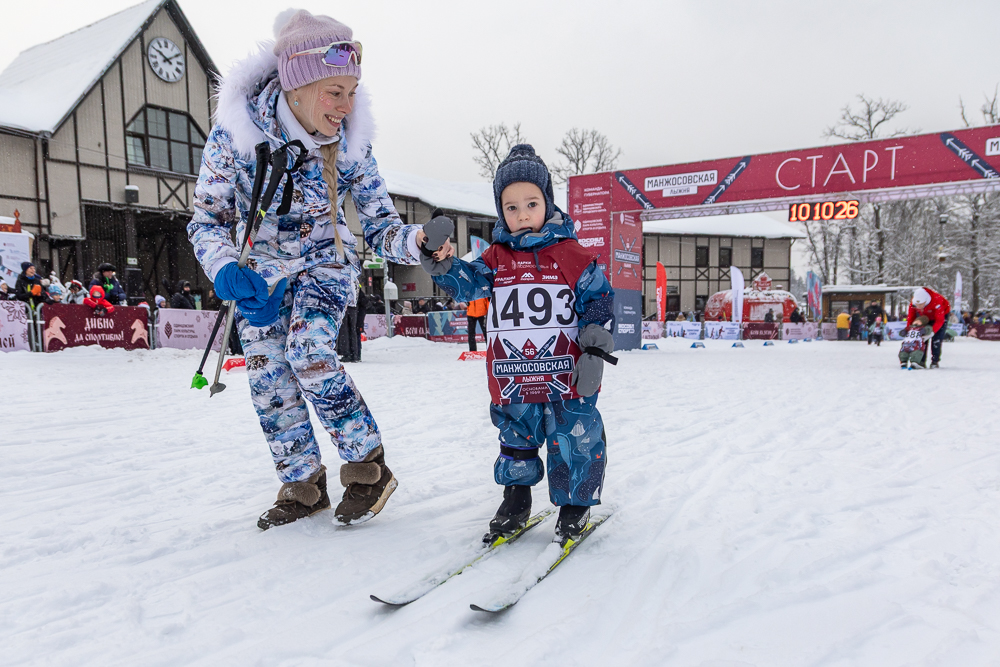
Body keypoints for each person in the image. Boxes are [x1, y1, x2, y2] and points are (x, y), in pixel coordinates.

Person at [188, 9, 440, 530]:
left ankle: (368, 464)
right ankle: (302, 484)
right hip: (259, 278)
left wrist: (413, 242)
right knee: (268, 377)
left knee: (308, 350)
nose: (347, 107)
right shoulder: (234, 137)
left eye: (352, 92)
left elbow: (378, 223)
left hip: (325, 265)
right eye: (335, 92)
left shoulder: (351, 145)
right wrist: (223, 270)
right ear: (297, 87)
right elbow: (207, 220)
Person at [419, 144, 615, 543]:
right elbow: (467, 282)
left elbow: (598, 301)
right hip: (514, 375)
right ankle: (517, 495)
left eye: (531, 203)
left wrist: (594, 351)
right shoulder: (494, 257)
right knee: (516, 436)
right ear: (500, 212)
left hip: (566, 373)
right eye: (511, 208)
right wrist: (441, 262)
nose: (522, 214)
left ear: (548, 203)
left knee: (575, 433)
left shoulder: (574, 255)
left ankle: (575, 502)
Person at [907, 287, 950, 368]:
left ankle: (935, 361)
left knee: (936, 339)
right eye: (917, 305)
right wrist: (909, 329)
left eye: (920, 304)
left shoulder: (937, 301)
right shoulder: (914, 302)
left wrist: (932, 332)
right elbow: (911, 317)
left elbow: (939, 320)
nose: (918, 307)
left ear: (926, 301)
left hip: (939, 316)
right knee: (921, 338)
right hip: (924, 317)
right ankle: (921, 361)